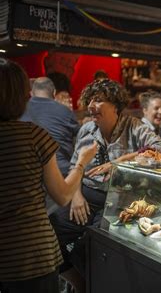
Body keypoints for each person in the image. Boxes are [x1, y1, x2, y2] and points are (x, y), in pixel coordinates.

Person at [49, 79, 161, 293]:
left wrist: (120, 161)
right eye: (90, 100)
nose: (91, 105)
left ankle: (97, 284)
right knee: (50, 230)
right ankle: (79, 281)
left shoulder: (133, 126)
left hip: (119, 200)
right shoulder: (86, 130)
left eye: (99, 100)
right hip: (84, 197)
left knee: (96, 240)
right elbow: (76, 166)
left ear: (116, 105)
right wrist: (76, 197)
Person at [0, 58, 97, 293]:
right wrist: (82, 162)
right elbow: (63, 195)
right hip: (31, 256)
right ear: (22, 95)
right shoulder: (34, 136)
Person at [21, 77, 80, 177]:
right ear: (54, 93)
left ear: (31, 93)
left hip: (29, 172)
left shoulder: (19, 110)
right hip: (61, 172)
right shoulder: (65, 112)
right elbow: (80, 136)